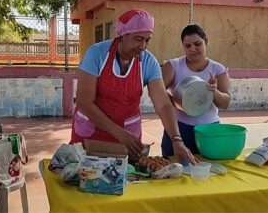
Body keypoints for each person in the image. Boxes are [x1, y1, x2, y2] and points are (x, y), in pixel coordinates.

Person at [70, 8, 197, 165]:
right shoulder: (97, 54)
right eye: (138, 39)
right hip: (91, 136)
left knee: (127, 180)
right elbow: (84, 102)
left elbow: (163, 104)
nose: (142, 46)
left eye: (147, 40)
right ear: (122, 35)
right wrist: (119, 134)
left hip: (128, 140)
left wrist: (176, 140)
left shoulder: (148, 62)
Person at [161, 24, 231, 157]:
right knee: (173, 169)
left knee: (209, 170)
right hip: (178, 128)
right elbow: (157, 91)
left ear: (206, 41)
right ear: (183, 46)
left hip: (209, 131)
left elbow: (225, 103)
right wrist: (175, 101)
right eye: (187, 46)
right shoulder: (173, 65)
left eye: (197, 44)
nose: (193, 49)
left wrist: (214, 91)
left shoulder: (217, 69)